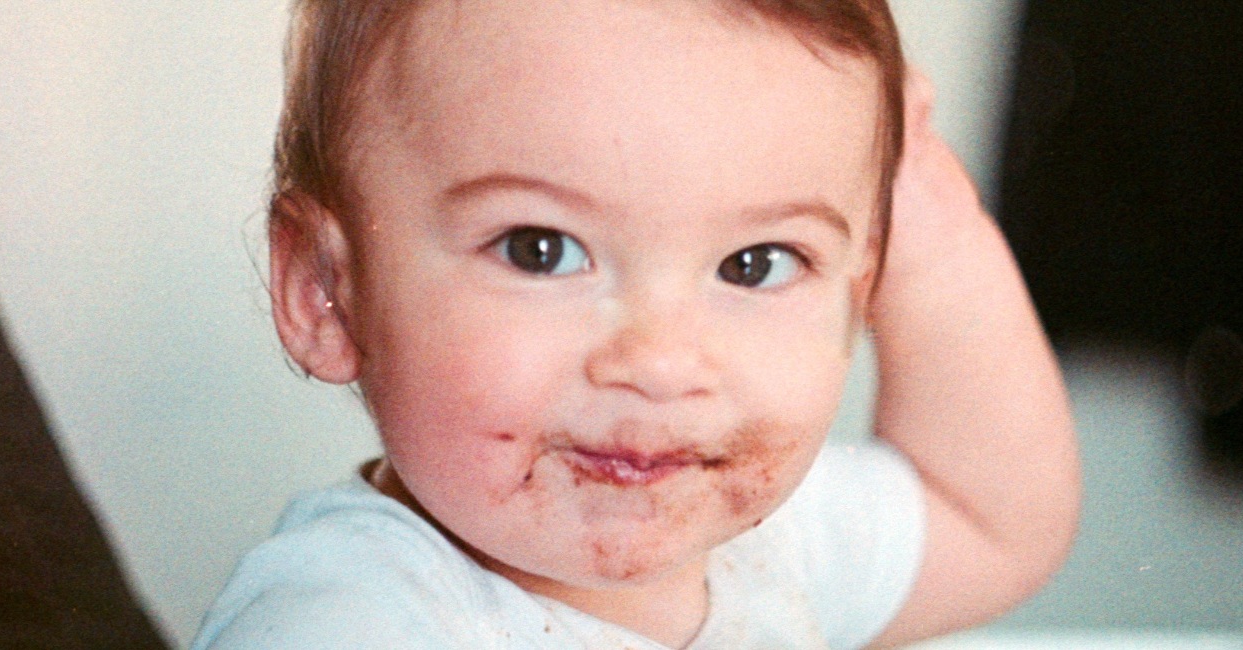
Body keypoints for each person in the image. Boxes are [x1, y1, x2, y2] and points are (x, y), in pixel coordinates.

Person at [193, 0, 1079, 647]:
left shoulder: (767, 551)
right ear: (326, 289)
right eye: (541, 250)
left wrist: (929, 209)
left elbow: (989, 517)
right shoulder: (353, 620)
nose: (659, 362)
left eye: (755, 263)